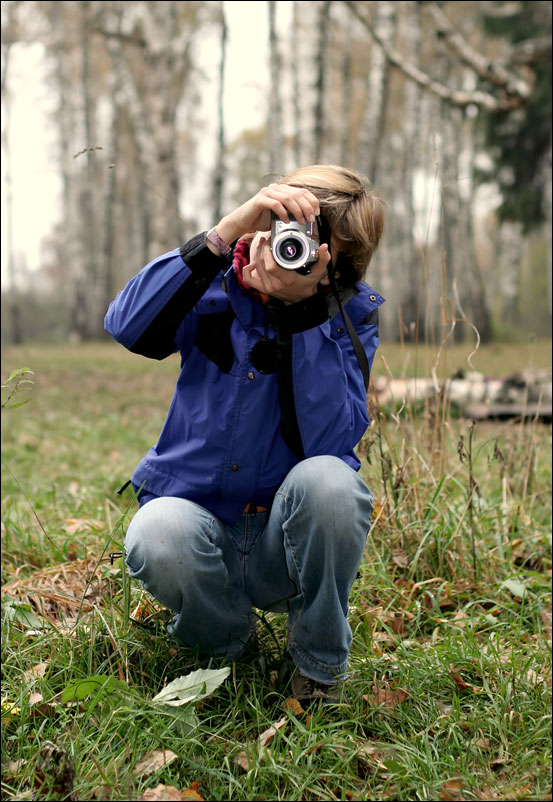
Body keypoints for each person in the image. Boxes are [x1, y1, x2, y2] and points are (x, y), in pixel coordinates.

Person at [105, 164, 385, 706]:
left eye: (308, 243)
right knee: (156, 528)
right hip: (201, 526)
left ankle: (318, 666)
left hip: (286, 542)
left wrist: (303, 315)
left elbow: (330, 445)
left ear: (337, 265)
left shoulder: (347, 315)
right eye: (285, 226)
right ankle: (225, 649)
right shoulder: (209, 286)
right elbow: (127, 325)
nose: (287, 248)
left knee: (332, 483)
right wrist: (223, 232)